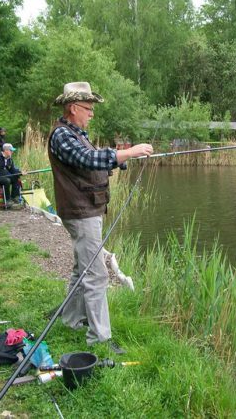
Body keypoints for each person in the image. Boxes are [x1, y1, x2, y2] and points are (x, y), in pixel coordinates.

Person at [48, 81, 153, 354]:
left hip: (87, 209)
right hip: (80, 212)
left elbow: (92, 161)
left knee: (81, 269)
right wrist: (129, 151)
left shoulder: (76, 132)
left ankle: (71, 319)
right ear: (73, 108)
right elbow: (87, 159)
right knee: (96, 274)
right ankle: (100, 339)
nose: (92, 114)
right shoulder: (62, 135)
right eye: (88, 108)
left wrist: (121, 159)